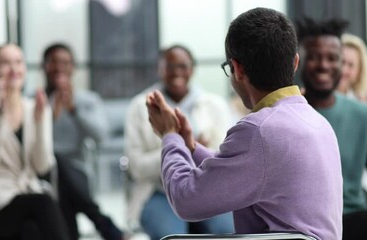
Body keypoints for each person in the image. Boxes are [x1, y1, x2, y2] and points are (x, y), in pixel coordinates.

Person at [146, 8, 342, 240]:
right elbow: (251, 170)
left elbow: (185, 200)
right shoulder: (318, 122)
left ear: (237, 69)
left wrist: (170, 136)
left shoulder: (259, 130)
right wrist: (190, 147)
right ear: (295, 63)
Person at [124, 45, 234, 240]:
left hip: (207, 190)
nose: (176, 72)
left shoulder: (215, 105)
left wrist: (188, 147)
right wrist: (177, 146)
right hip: (159, 193)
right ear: (159, 69)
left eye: (183, 66)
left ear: (192, 69)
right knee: (172, 236)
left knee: (227, 232)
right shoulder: (140, 106)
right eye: (169, 66)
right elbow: (136, 167)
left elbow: (225, 159)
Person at [296, 17, 367, 240]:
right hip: (297, 223)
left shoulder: (366, 115)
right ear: (297, 62)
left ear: (341, 63)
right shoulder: (283, 114)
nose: (324, 65)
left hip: (350, 218)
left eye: (332, 58)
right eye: (314, 57)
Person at [0, 43, 69, 240]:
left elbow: (42, 166)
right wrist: (1, 115)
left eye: (18, 62)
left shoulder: (36, 107)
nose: (13, 69)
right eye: (5, 63)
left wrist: (39, 123)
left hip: (26, 199)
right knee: (44, 203)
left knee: (31, 230)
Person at [42, 43, 123, 240]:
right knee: (54, 162)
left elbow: (101, 136)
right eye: (54, 62)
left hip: (76, 170)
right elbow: (30, 142)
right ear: (44, 66)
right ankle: (102, 222)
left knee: (61, 173)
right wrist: (49, 113)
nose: (60, 67)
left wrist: (74, 110)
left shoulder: (87, 100)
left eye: (65, 62)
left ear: (73, 67)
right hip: (41, 171)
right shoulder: (34, 101)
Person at [337, 33, 367, 108]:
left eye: (351, 65)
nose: (343, 70)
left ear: (360, 71)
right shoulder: (314, 99)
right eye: (341, 62)